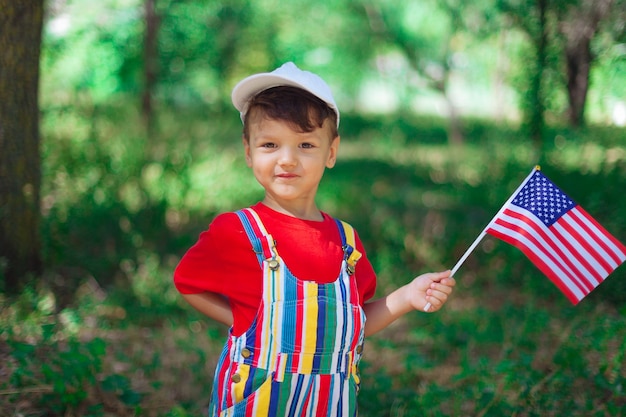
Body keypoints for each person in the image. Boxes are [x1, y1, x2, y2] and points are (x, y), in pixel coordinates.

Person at [173, 62, 456, 417]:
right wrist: (243, 322)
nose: (287, 159)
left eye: (306, 144)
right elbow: (187, 283)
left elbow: (355, 322)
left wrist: (407, 297)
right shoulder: (237, 230)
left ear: (332, 152)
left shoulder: (346, 243)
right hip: (257, 403)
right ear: (248, 151)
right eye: (270, 144)